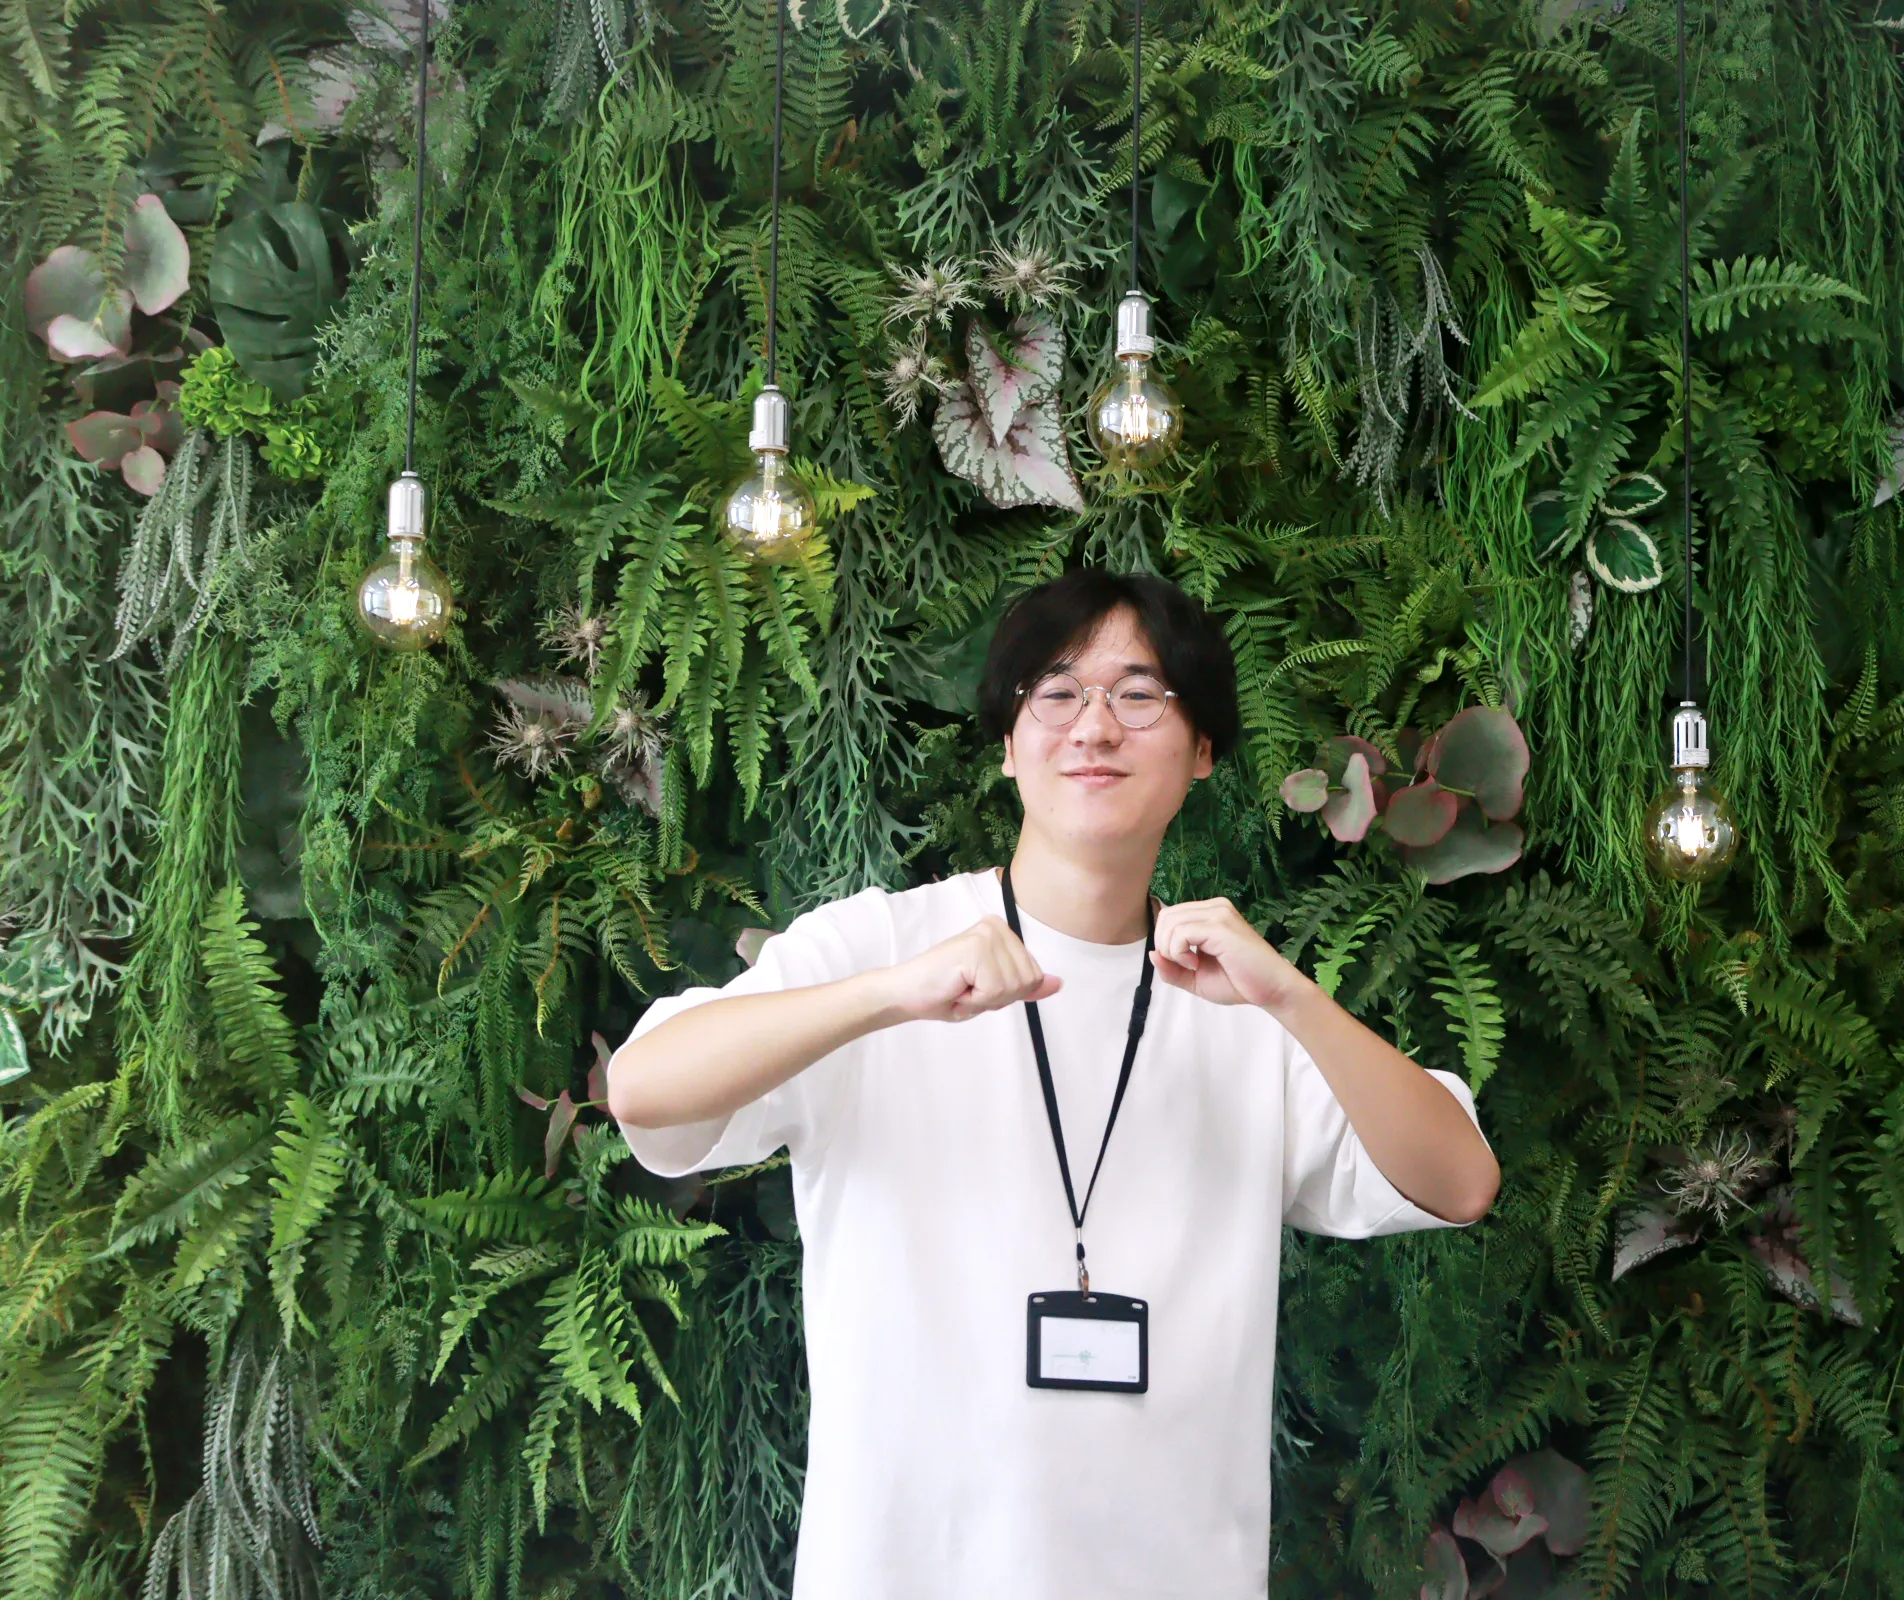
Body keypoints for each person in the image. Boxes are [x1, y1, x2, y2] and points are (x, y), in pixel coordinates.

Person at [606, 568, 1501, 1599]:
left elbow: (1461, 1181)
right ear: (1007, 741)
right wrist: (889, 996)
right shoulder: (880, 946)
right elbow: (644, 1089)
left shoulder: (1242, 998)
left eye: (1140, 694)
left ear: (1203, 751)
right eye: (1058, 692)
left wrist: (1294, 998)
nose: (1095, 727)